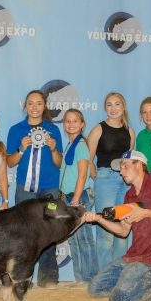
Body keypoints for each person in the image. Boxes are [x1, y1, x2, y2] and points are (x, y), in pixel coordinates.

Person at [84, 150, 151, 301]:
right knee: (94, 289)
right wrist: (99, 219)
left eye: (125, 166)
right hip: (133, 257)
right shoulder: (129, 195)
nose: (121, 172)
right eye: (120, 168)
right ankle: (134, 283)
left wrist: (146, 212)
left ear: (139, 165)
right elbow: (123, 231)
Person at [6, 90, 63, 288]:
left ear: (44, 106)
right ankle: (22, 277)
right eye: (31, 103)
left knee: (49, 231)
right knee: (23, 234)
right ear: (26, 106)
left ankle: (48, 278)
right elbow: (10, 162)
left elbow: (58, 163)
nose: (35, 107)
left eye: (39, 103)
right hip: (25, 187)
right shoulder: (16, 130)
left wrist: (54, 149)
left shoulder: (53, 130)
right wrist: (21, 149)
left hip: (50, 187)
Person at [86, 92, 135, 272]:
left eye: (117, 104)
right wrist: (96, 175)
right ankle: (104, 276)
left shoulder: (130, 131)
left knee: (123, 229)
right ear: (105, 108)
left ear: (123, 107)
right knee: (106, 232)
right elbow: (89, 160)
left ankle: (119, 274)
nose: (113, 109)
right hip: (105, 180)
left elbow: (129, 160)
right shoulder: (98, 129)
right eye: (109, 105)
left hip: (125, 182)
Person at [60, 109, 98, 284]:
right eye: (68, 121)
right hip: (69, 197)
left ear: (82, 124)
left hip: (79, 196)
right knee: (74, 239)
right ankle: (80, 277)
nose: (71, 124)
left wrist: (75, 199)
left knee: (84, 238)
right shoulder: (70, 144)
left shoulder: (81, 145)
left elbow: (83, 175)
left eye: (75, 121)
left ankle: (90, 277)